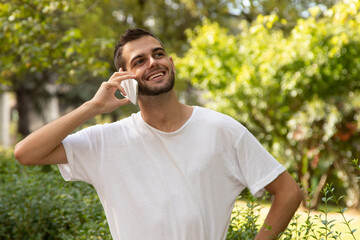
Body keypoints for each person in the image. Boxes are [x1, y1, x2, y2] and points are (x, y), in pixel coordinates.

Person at [14, 28, 302, 240]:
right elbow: (25, 153)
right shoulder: (105, 141)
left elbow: (288, 192)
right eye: (139, 61)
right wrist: (92, 107)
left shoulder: (221, 129)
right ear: (123, 78)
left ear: (171, 63)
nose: (152, 62)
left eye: (158, 54)